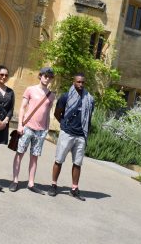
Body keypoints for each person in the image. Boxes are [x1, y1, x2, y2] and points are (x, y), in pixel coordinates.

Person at [49, 73, 95, 201]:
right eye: (78, 82)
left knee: (77, 163)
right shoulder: (65, 96)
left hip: (81, 136)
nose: (81, 84)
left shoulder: (89, 99)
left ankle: (74, 189)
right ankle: (53, 185)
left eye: (83, 82)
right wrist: (64, 125)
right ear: (73, 82)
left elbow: (89, 117)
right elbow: (58, 113)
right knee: (59, 160)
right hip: (67, 133)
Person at [9, 67, 56, 194]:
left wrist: (46, 128)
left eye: (50, 77)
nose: (47, 78)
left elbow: (47, 113)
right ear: (40, 76)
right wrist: (20, 125)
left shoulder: (51, 96)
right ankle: (15, 180)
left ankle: (31, 183)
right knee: (20, 153)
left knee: (34, 157)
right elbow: (23, 107)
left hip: (41, 131)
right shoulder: (30, 89)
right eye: (45, 75)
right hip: (27, 127)